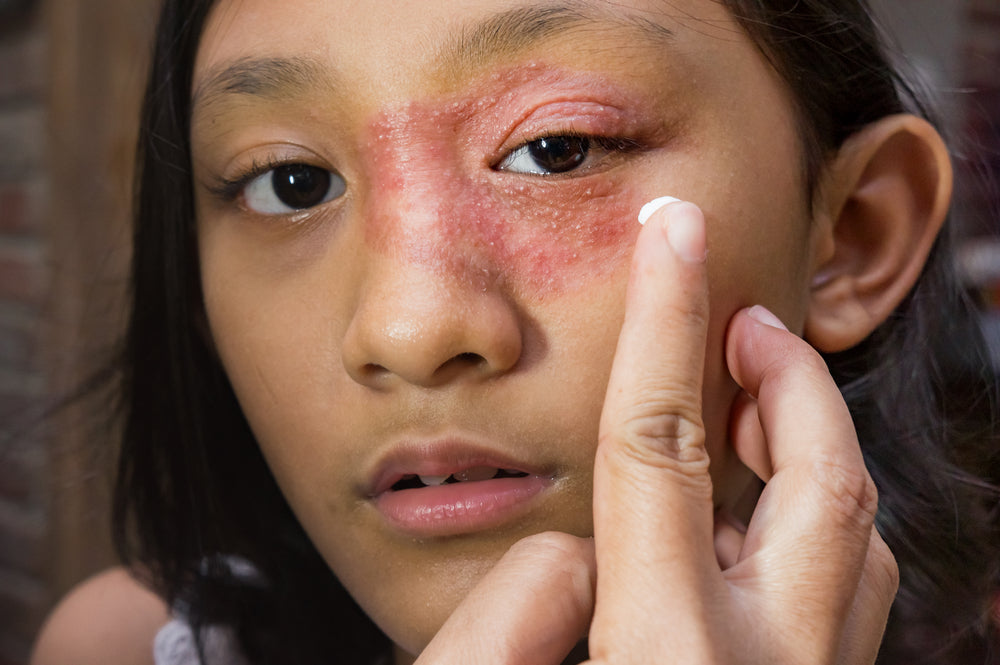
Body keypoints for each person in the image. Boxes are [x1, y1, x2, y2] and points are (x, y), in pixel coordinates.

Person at [30, 0, 1000, 663]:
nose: (407, 328)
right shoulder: (121, 642)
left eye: (555, 148)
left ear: (851, 236)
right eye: (290, 181)